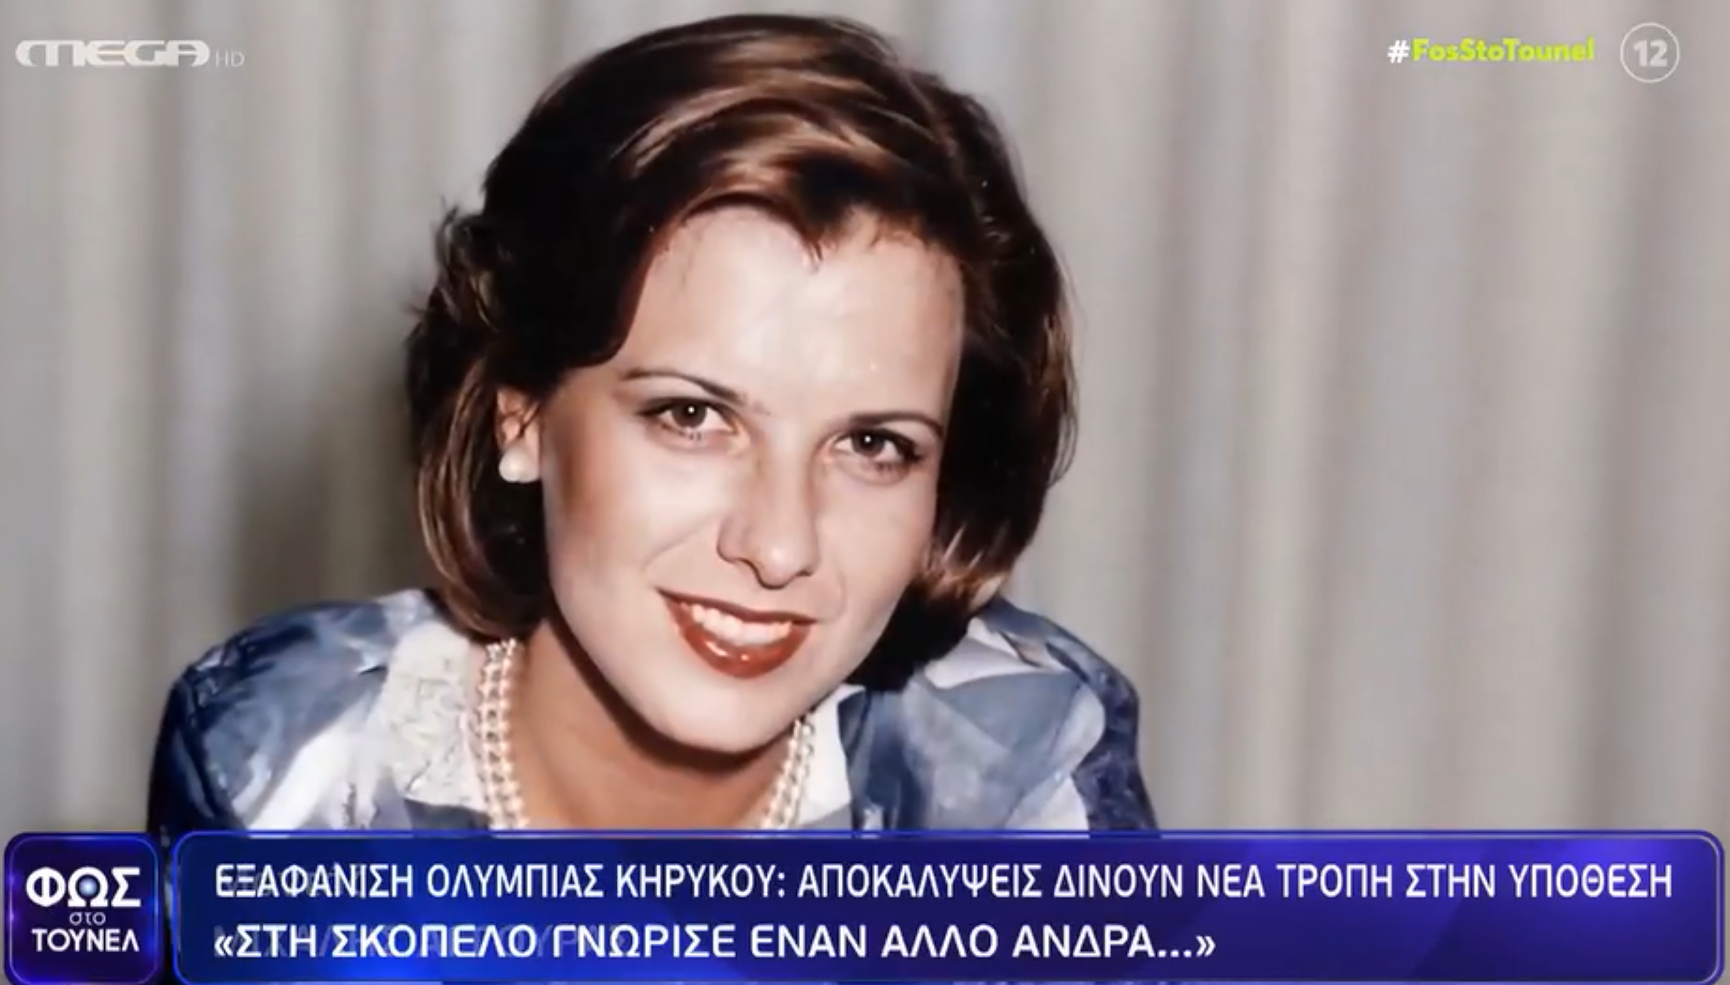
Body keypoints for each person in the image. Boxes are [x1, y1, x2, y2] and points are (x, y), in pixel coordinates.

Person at [145, 13, 1155, 839]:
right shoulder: (282, 770)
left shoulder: (1013, 772)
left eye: (871, 445)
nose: (778, 546)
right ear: (522, 413)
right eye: (693, 415)